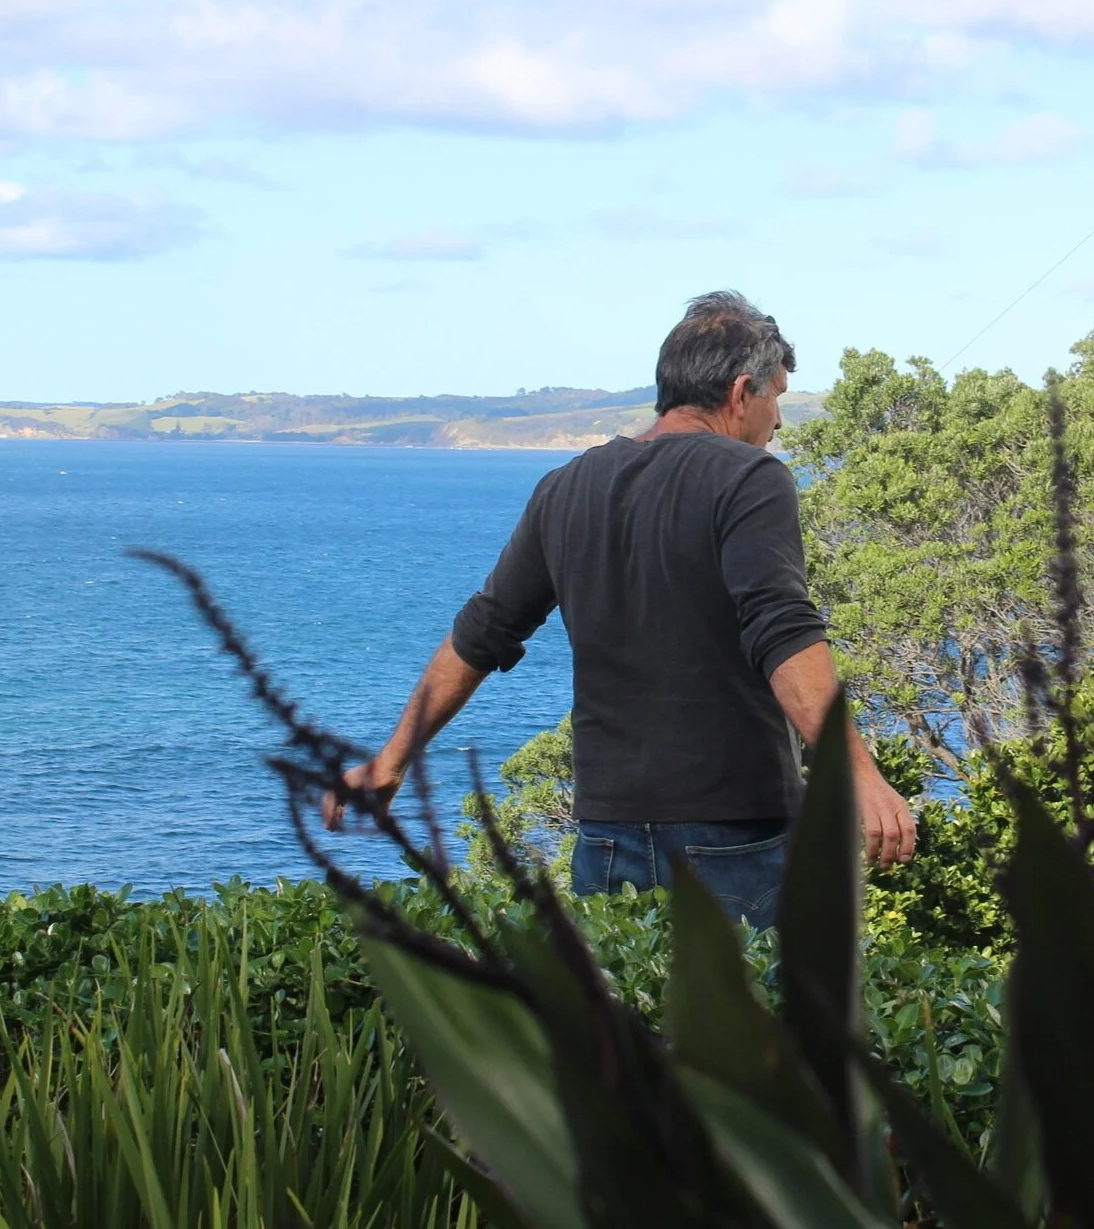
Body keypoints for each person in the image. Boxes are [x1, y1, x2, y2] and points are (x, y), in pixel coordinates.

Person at [325, 291, 916, 929]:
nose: (778, 424)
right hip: (735, 834)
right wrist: (858, 776)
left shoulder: (566, 486)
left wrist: (391, 761)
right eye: (776, 398)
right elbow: (783, 632)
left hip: (607, 835)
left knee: (629, 994)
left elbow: (480, 634)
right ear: (741, 392)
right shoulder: (751, 477)